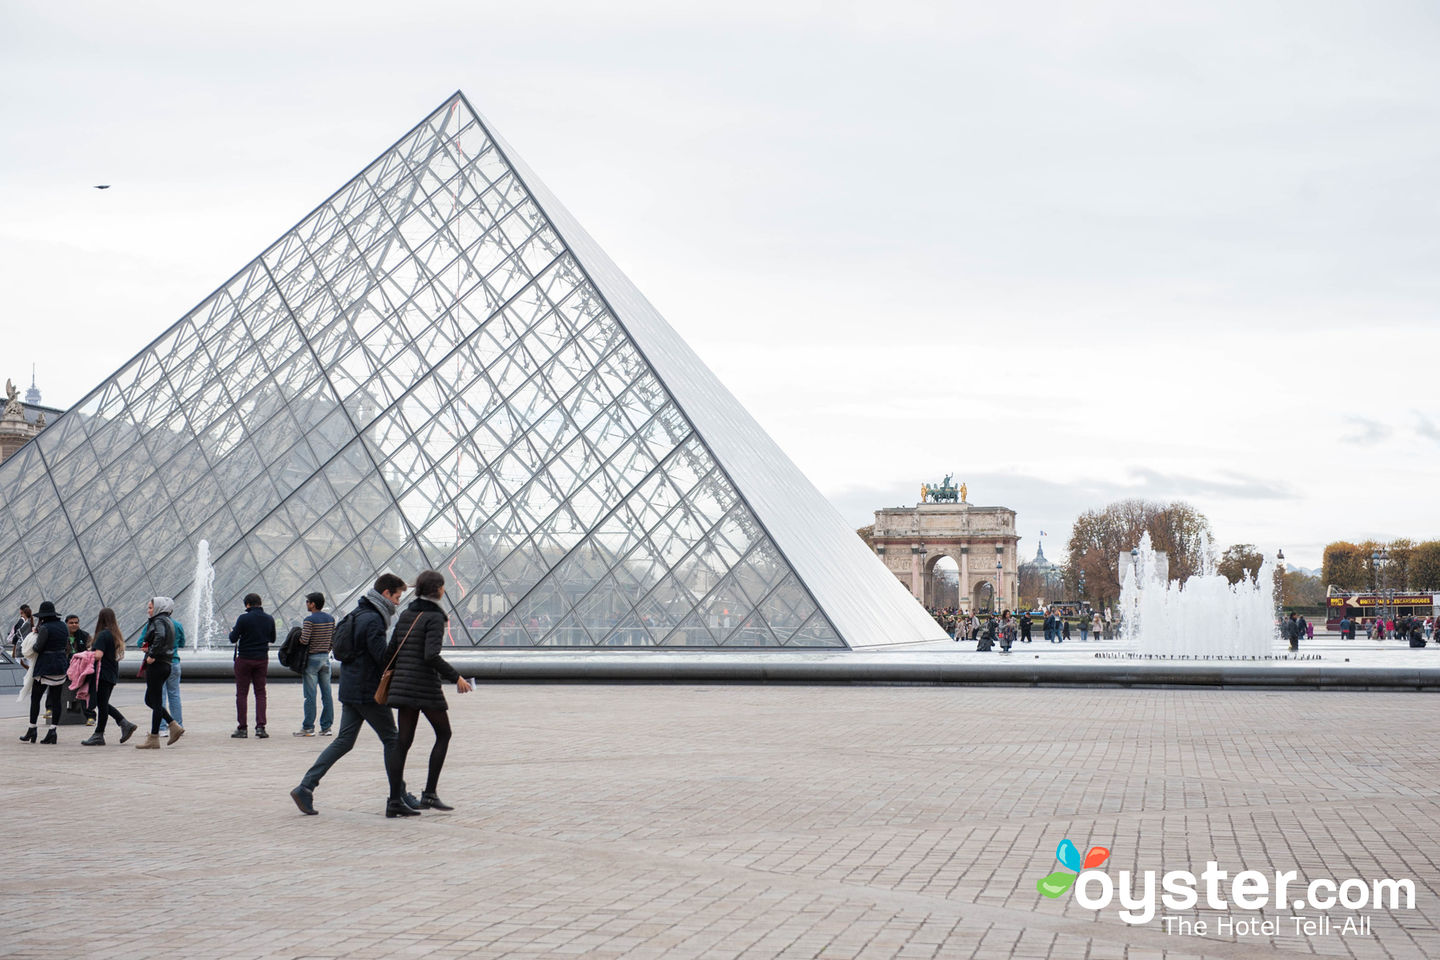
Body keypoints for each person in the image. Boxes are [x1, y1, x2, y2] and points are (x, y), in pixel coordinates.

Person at [290, 575, 414, 816]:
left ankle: (306, 786)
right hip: (368, 692)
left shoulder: (355, 614)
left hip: (350, 688)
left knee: (344, 741)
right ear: (386, 593)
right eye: (398, 597)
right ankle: (399, 795)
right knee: (392, 740)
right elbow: (381, 657)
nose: (399, 602)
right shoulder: (374, 620)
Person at [380, 570, 471, 817]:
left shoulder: (407, 614)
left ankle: (394, 800)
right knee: (444, 733)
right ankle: (429, 793)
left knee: (403, 742)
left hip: (403, 686)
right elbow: (431, 655)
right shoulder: (434, 617)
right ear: (438, 589)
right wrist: (457, 677)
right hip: (424, 687)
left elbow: (391, 652)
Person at [80, 608, 138, 746]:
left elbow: (99, 655)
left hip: (102, 674)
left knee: (102, 704)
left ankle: (102, 733)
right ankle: (122, 725)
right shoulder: (114, 634)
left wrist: (85, 655)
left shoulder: (103, 635)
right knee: (103, 703)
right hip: (111, 674)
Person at [136, 598, 183, 749]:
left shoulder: (158, 621)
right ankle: (173, 725)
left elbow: (160, 637)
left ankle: (154, 737)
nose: (148, 610)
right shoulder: (168, 621)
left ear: (158, 608)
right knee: (151, 700)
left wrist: (152, 654)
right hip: (167, 664)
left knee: (154, 702)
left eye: (150, 607)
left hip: (157, 664)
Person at [19, 601, 69, 744]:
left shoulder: (45, 628)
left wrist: (35, 637)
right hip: (60, 666)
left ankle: (32, 729)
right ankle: (53, 731)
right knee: (56, 699)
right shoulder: (63, 626)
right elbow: (66, 646)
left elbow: (37, 648)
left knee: (35, 698)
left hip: (46, 667)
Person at [229, 592, 275, 738]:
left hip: (244, 659)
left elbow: (232, 638)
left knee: (242, 693)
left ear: (247, 604)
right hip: (261, 659)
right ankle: (260, 727)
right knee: (260, 693)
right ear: (260, 603)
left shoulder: (243, 618)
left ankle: (242, 728)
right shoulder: (269, 618)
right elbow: (272, 638)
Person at [294, 592, 336, 737]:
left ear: (313, 604)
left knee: (310, 695)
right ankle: (326, 727)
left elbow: (304, 640)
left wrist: (297, 637)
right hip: (325, 658)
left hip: (312, 659)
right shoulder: (330, 619)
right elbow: (332, 639)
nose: (306, 604)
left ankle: (308, 727)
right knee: (327, 694)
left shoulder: (309, 620)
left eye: (307, 602)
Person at [65, 614, 96, 724]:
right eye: (71, 623)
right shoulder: (62, 636)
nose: (74, 625)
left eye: (76, 622)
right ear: (66, 623)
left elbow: (90, 650)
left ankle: (90, 716)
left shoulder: (85, 635)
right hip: (66, 667)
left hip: (81, 668)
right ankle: (50, 709)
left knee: (85, 690)